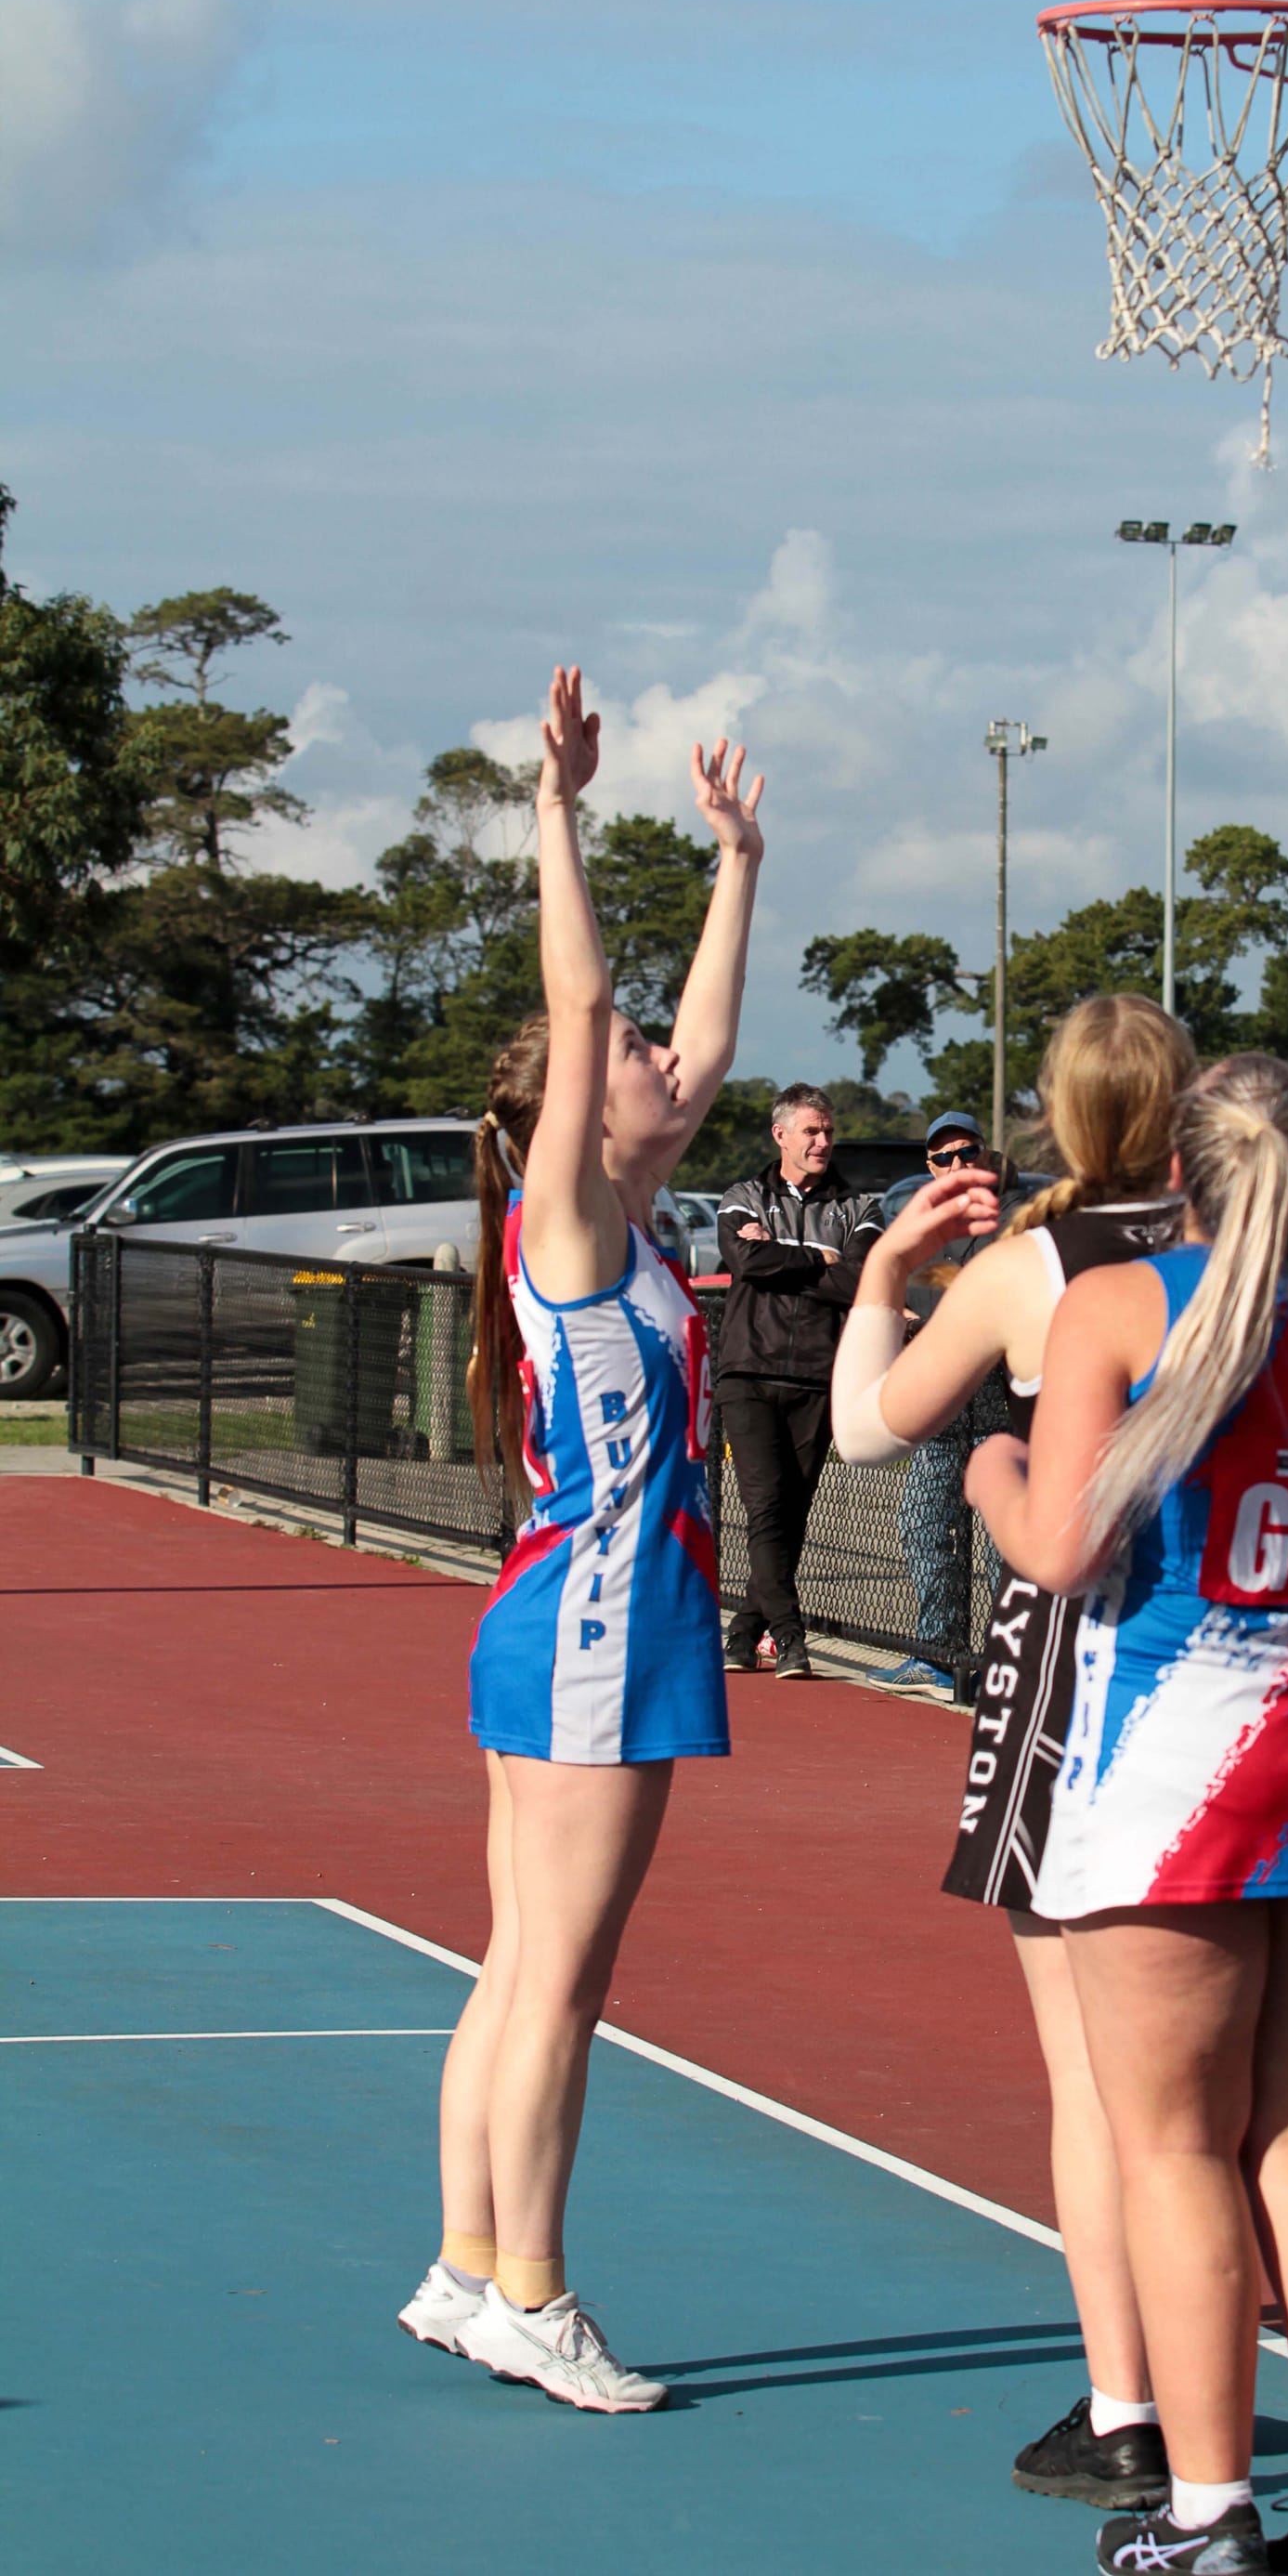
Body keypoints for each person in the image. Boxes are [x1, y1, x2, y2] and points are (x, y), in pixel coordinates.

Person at [963, 1053, 1288, 2576]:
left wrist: (995, 1476)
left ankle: (1209, 2513)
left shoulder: (1122, 1307)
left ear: (1179, 1174)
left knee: (1178, 2150)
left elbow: (1062, 1552)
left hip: (1169, 1774)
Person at [397, 668, 763, 2412]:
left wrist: (738, 865)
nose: (656, 1063)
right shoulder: (567, 1217)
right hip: (601, 1623)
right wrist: (554, 808)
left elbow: (690, 1036)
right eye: (625, 1058)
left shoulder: (622, 1209)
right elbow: (590, 988)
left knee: (516, 1960)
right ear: (568, 1099)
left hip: (568, 1612)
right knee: (563, 1979)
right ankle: (535, 2295)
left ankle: (468, 2265)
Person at [834, 995, 1196, 2506]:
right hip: (1265, 1661)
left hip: (1083, 1664)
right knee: (1244, 2095)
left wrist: (886, 1272)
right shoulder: (1273, 1258)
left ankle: (1130, 2401)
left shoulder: (1031, 1273)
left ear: (1056, 1114)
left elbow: (864, 1426)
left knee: (1097, 2075)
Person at [713, 1085, 882, 1680]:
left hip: (818, 1374)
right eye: (811, 1131)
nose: (822, 1142)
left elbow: (861, 1279)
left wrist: (787, 1256)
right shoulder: (742, 1197)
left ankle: (741, 1635)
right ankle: (790, 1638)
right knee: (765, 1508)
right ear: (780, 1134)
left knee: (792, 1515)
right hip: (748, 1373)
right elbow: (746, 1264)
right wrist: (821, 1259)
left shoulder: (859, 1207)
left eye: (828, 1131)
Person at [886, 1112, 1023, 1696]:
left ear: (984, 1156)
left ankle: (1002, 1661)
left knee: (1000, 1542)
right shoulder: (919, 1224)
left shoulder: (1012, 1218)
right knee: (923, 1523)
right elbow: (885, 1279)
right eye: (944, 1158)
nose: (957, 1165)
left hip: (997, 1408)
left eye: (967, 1152)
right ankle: (936, 1653)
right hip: (939, 1405)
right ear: (930, 1168)